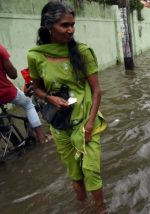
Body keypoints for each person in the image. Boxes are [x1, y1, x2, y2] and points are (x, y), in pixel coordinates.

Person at [27, 2, 107, 213]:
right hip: (60, 125)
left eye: (73, 25)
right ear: (48, 26)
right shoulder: (36, 56)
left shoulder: (82, 52)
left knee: (91, 171)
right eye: (64, 25)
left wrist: (90, 124)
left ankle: (101, 210)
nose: (70, 30)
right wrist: (50, 98)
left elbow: (97, 91)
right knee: (75, 173)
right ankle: (82, 208)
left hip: (85, 121)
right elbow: (37, 89)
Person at [0, 43, 49, 144]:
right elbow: (13, 75)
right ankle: (41, 136)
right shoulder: (0, 48)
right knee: (28, 104)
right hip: (4, 91)